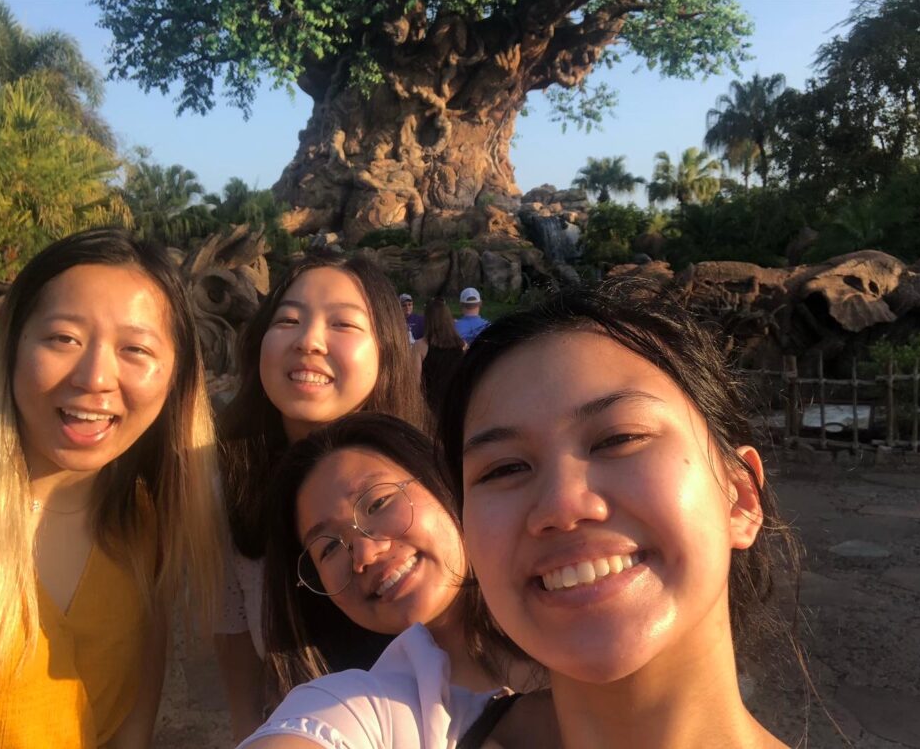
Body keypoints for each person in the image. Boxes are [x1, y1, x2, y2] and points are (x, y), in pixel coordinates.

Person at [438, 278, 805, 748]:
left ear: (740, 497)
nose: (562, 506)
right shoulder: (406, 728)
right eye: (505, 468)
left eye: (618, 439)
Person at [0, 228, 224, 748]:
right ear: (12, 345)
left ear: (175, 377)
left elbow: (130, 729)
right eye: (64, 338)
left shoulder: (145, 522)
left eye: (135, 348)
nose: (95, 377)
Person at [239, 412, 552, 749]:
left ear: (442, 479)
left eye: (378, 503)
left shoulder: (576, 623)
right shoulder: (360, 708)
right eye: (329, 547)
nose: (364, 554)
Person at [215, 255, 429, 742]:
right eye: (288, 320)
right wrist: (249, 723)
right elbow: (229, 623)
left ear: (386, 350)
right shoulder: (229, 478)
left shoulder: (432, 474)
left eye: (343, 324)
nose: (308, 341)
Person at [411, 297, 466, 416]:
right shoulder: (462, 345)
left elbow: (414, 383)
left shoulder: (420, 346)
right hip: (455, 405)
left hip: (430, 407)